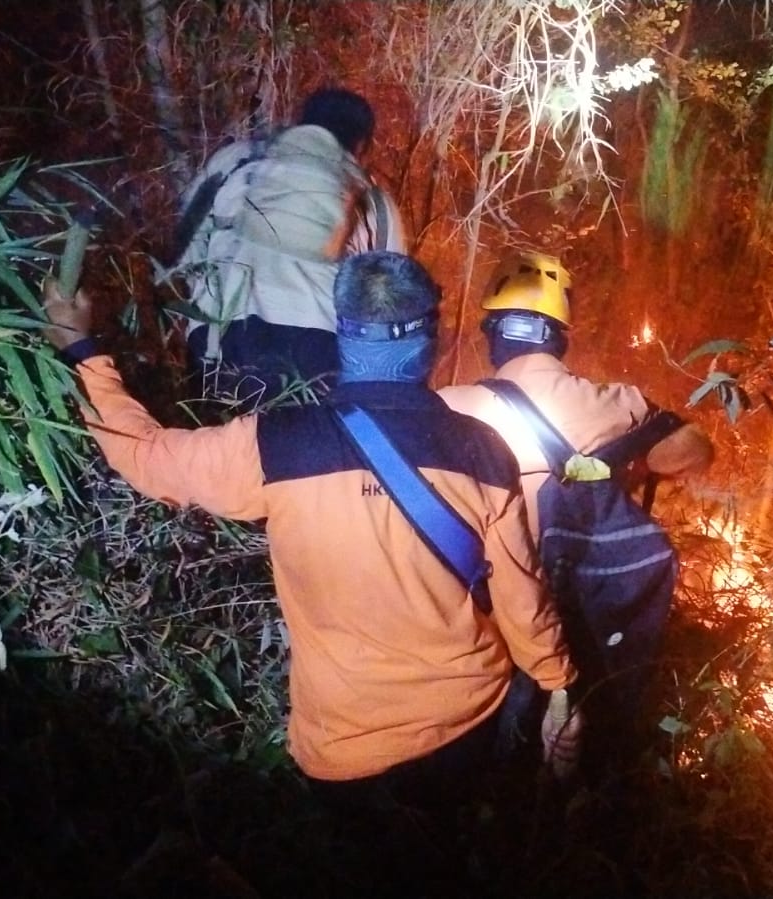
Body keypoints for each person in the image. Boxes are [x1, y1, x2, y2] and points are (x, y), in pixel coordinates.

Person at [43, 251, 577, 893]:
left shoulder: (274, 443)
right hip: (465, 724)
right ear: (431, 336)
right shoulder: (482, 450)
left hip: (343, 747)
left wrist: (83, 352)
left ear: (342, 330)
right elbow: (522, 600)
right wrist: (560, 687)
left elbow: (147, 455)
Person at [438, 251, 714, 776]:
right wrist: (619, 467)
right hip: (573, 607)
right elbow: (693, 451)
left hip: (478, 620)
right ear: (560, 337)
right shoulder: (611, 404)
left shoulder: (447, 407)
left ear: (492, 332)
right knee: (569, 754)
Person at [172, 86, 409, 404]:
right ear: (362, 145)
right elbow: (388, 302)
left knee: (221, 435)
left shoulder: (235, 160)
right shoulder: (375, 202)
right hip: (316, 347)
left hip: (220, 334)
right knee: (301, 437)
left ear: (302, 124)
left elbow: (187, 245)